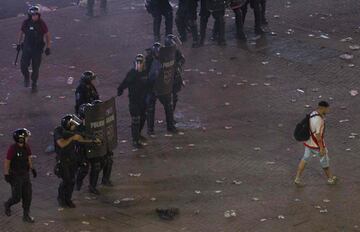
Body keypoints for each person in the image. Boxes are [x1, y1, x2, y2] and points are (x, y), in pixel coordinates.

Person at [54, 114, 98, 207]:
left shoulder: (73, 132)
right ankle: (61, 198)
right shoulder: (58, 131)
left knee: (72, 180)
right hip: (63, 160)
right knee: (66, 180)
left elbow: (81, 139)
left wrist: (93, 141)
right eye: (73, 125)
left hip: (72, 159)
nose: (74, 126)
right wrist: (72, 138)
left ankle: (68, 199)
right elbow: (61, 144)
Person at [294, 101, 337, 186]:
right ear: (323, 108)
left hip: (308, 143)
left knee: (304, 159)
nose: (328, 110)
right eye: (327, 109)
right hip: (317, 146)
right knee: (325, 162)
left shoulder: (312, 113)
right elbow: (318, 135)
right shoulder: (319, 120)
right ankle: (330, 179)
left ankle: (297, 178)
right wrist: (321, 148)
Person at [4, 128, 36, 223]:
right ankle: (7, 204)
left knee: (28, 196)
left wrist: (32, 168)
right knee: (17, 197)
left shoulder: (27, 147)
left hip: (25, 175)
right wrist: (6, 174)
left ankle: (26, 215)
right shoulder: (12, 148)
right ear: (21, 139)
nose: (28, 139)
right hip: (15, 176)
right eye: (26, 137)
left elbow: (29, 158)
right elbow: (7, 162)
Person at [16, 6, 51, 93]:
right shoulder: (26, 23)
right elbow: (21, 32)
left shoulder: (42, 23)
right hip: (27, 48)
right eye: (33, 15)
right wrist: (18, 43)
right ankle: (26, 77)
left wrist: (48, 47)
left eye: (36, 15)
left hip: (37, 49)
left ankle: (34, 84)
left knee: (36, 68)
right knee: (23, 66)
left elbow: (47, 35)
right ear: (30, 15)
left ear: (39, 15)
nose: (35, 16)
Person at [118, 54, 149, 148]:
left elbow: (149, 83)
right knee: (136, 120)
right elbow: (125, 82)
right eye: (138, 62)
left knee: (143, 117)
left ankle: (138, 134)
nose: (139, 64)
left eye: (141, 62)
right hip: (134, 100)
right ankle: (135, 140)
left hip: (143, 100)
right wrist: (120, 89)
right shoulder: (132, 73)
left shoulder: (146, 72)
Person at [147, 39, 177, 135]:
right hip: (155, 88)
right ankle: (152, 129)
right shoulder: (152, 60)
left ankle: (167, 126)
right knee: (155, 107)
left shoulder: (162, 59)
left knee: (167, 105)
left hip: (160, 86)